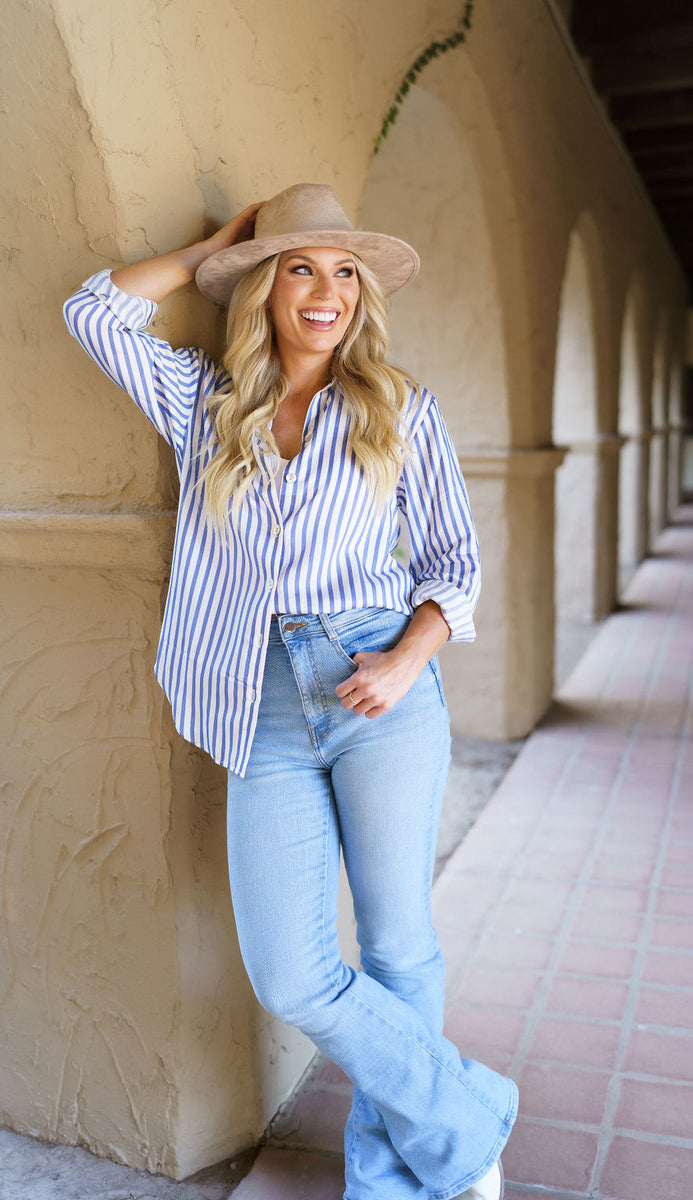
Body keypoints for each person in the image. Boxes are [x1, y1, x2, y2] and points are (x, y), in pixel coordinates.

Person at [64, 183, 517, 1200]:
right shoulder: (204, 403)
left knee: (399, 944)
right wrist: (208, 253)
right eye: (300, 267)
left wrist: (405, 662)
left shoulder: (399, 407)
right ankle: (463, 1121)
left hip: (378, 681)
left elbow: (453, 564)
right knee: (290, 974)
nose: (325, 292)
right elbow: (92, 311)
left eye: (343, 270)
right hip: (253, 696)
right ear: (265, 286)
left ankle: (396, 1184)